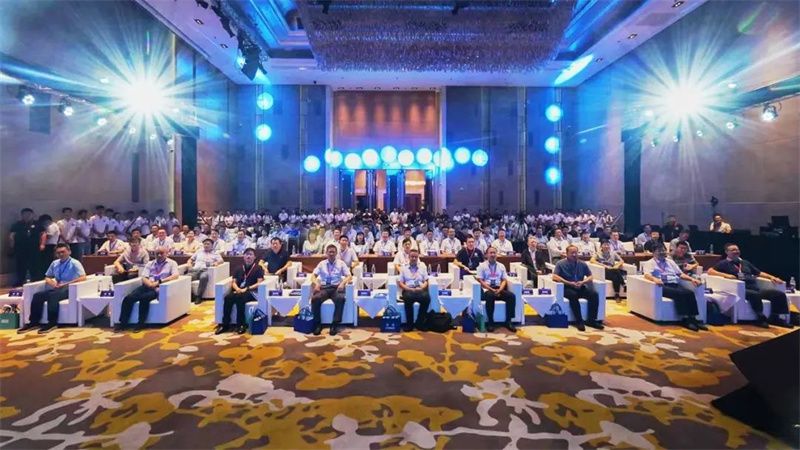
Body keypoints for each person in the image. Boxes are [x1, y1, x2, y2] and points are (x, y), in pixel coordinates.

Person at [708, 243, 791, 328]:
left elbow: (758, 273)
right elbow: (710, 271)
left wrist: (772, 277)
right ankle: (760, 318)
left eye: (737, 249)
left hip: (755, 289)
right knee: (754, 294)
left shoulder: (745, 262)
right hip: (740, 290)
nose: (736, 251)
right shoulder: (724, 263)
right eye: (733, 250)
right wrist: (726, 275)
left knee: (778, 294)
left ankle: (776, 317)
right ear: (727, 252)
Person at [18, 244, 86, 333]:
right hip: (57, 287)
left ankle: (52, 322)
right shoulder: (55, 263)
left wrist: (66, 283)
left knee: (53, 296)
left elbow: (83, 277)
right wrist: (52, 283)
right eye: (58, 253)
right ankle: (33, 322)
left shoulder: (75, 263)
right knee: (38, 296)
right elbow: (47, 277)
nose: (61, 254)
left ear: (69, 252)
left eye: (63, 252)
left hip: (70, 288)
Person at [114, 247, 180, 332]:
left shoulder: (172, 263)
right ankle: (123, 323)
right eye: (157, 253)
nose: (159, 255)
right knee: (128, 298)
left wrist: (159, 282)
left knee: (144, 298)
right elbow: (144, 277)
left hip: (159, 288)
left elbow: (175, 275)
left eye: (161, 253)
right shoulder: (150, 263)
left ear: (167, 253)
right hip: (147, 285)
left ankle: (141, 323)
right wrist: (149, 284)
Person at [644, 245, 707, 331]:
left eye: (663, 250)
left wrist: (692, 279)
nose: (662, 252)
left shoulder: (670, 262)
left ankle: (694, 318)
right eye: (659, 251)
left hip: (674, 283)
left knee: (690, 293)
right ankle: (685, 319)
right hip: (662, 286)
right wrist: (655, 279)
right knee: (681, 294)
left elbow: (680, 274)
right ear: (654, 252)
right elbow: (647, 275)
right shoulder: (650, 263)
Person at [552, 245, 603, 331]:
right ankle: (579, 321)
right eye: (572, 253)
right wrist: (568, 283)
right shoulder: (560, 263)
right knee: (573, 295)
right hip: (567, 287)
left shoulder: (582, 264)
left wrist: (583, 282)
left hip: (580, 286)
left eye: (576, 253)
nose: (574, 255)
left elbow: (590, 276)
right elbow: (554, 277)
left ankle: (592, 320)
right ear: (567, 253)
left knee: (594, 294)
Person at [216, 248, 264, 335]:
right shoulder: (238, 268)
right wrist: (237, 289)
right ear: (243, 256)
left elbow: (259, 282)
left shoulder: (258, 268)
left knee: (240, 298)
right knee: (228, 298)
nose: (248, 256)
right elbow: (233, 282)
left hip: (251, 292)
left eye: (250, 254)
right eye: (246, 254)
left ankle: (241, 324)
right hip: (239, 290)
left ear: (254, 257)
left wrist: (247, 288)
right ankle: (224, 324)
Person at [310, 245, 352, 336]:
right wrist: (316, 283)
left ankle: (334, 324)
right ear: (326, 253)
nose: (331, 254)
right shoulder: (321, 264)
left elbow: (349, 276)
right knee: (315, 299)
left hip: (336, 287)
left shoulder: (341, 263)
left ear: (336, 253)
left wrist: (342, 283)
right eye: (330, 252)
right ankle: (317, 324)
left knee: (340, 299)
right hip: (324, 287)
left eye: (333, 252)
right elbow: (313, 276)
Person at [475, 247, 517, 332]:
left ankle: (508, 321)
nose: (492, 255)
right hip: (487, 289)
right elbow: (480, 280)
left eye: (494, 253)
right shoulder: (482, 266)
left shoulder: (501, 266)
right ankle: (491, 322)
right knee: (490, 296)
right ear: (487, 255)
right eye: (490, 253)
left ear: (496, 254)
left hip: (499, 288)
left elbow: (504, 280)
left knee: (511, 296)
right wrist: (491, 289)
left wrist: (500, 289)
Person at [9, 208, 45, 286]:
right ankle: (20, 281)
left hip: (34, 248)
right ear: (22, 215)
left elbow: (43, 234)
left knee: (35, 264)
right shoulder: (17, 224)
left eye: (29, 214)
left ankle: (35, 280)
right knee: (21, 265)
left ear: (32, 215)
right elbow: (12, 235)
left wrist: (42, 244)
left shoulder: (38, 224)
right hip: (21, 248)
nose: (27, 216)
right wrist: (12, 245)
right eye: (25, 214)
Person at [397, 248, 430, 332]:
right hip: (408, 289)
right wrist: (408, 289)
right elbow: (400, 283)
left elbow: (426, 281)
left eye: (416, 257)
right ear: (409, 257)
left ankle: (420, 323)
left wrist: (422, 288)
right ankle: (410, 325)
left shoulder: (422, 268)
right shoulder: (404, 268)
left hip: (420, 289)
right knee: (408, 299)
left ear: (418, 257)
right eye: (412, 257)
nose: (414, 258)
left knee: (426, 298)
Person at [187, 239, 224, 303]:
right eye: (205, 244)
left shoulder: (215, 253)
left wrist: (216, 263)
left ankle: (198, 296)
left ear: (212, 245)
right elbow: (190, 259)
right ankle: (190, 295)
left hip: (205, 271)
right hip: (195, 270)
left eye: (208, 244)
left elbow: (221, 260)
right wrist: (189, 264)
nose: (206, 245)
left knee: (203, 277)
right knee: (185, 278)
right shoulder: (199, 251)